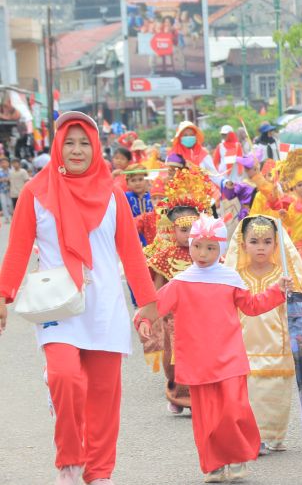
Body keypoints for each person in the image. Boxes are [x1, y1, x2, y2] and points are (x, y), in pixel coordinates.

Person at [0, 111, 158, 485]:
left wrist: (149, 306)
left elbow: (132, 255)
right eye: (68, 142)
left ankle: (99, 473)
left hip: (104, 307)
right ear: (57, 145)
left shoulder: (113, 194)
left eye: (84, 142)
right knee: (64, 377)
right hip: (58, 305)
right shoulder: (36, 193)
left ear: (95, 147)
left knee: (104, 396)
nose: (76, 149)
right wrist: (3, 295)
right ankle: (69, 461)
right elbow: (19, 250)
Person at [139, 215, 291, 482]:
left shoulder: (230, 279)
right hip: (197, 363)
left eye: (210, 248)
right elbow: (155, 306)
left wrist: (277, 290)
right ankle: (214, 465)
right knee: (207, 419)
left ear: (220, 250)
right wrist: (142, 320)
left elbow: (252, 306)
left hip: (230, 357)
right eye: (197, 246)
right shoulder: (181, 282)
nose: (202, 253)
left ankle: (237, 457)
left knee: (234, 410)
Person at [224, 215, 302, 454]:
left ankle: (274, 435)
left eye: (267, 241)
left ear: (276, 245)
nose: (261, 246)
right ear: (243, 245)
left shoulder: (284, 276)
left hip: (278, 344)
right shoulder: (234, 276)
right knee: (250, 394)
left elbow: (299, 304)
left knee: (277, 393)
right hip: (245, 344)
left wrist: (293, 292)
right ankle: (255, 436)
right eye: (254, 241)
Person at [145, 167, 215, 414]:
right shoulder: (166, 253)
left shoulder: (208, 251)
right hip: (173, 318)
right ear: (172, 229)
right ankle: (176, 395)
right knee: (173, 359)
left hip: (201, 315)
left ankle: (198, 396)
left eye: (192, 229)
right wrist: (155, 311)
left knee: (202, 357)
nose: (188, 236)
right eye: (183, 230)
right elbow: (158, 286)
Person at [123, 164, 153, 245]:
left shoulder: (153, 196)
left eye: (140, 179)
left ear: (147, 180)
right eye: (133, 180)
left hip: (153, 236)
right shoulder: (125, 197)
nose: (137, 183)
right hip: (133, 236)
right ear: (127, 184)